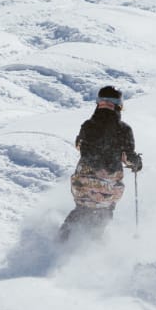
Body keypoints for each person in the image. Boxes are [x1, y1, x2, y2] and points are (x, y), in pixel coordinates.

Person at [60, 84, 143, 242]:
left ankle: (61, 241)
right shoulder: (123, 129)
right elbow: (128, 157)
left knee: (81, 209)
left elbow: (80, 145)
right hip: (107, 182)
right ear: (119, 106)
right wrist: (136, 162)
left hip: (83, 179)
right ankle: (91, 247)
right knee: (103, 212)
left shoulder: (88, 125)